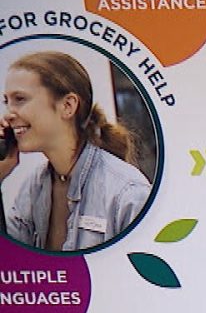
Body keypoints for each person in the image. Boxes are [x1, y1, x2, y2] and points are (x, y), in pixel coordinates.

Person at [1, 51, 151, 251]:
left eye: (20, 99)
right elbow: (11, 266)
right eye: (6, 102)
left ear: (68, 106)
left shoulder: (127, 192)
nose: (8, 114)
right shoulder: (34, 185)